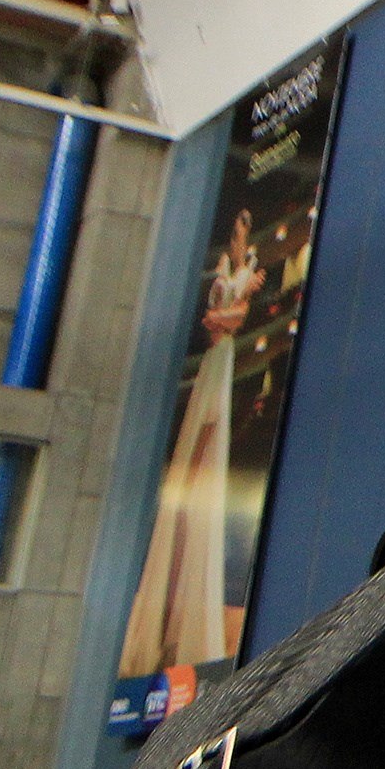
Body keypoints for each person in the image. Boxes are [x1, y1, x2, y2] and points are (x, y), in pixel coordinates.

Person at [120, 209, 264, 675]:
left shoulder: (245, 277)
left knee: (208, 442)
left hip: (222, 361)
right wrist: (220, 321)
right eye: (236, 233)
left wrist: (224, 321)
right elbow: (215, 317)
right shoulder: (227, 270)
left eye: (243, 233)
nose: (239, 239)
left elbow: (230, 317)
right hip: (212, 363)